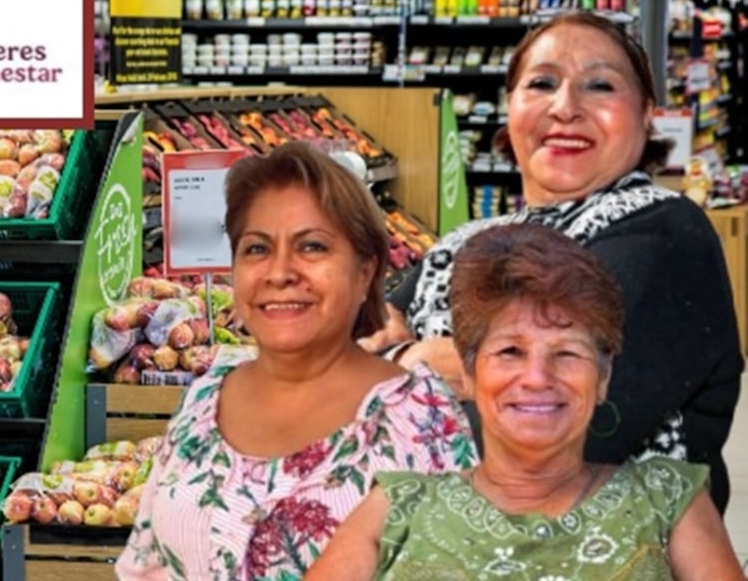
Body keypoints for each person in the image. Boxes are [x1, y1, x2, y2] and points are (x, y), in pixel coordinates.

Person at [365, 10, 743, 514]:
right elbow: (355, 341)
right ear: (511, 107)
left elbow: (556, 439)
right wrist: (415, 361)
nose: (565, 108)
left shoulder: (665, 233)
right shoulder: (468, 239)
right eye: (542, 83)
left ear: (647, 113)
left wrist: (397, 372)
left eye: (600, 86)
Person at [115, 142, 477, 580]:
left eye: (311, 247)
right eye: (257, 249)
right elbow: (144, 565)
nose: (280, 272)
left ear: (365, 272)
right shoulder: (206, 397)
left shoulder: (418, 420)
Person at [305, 224, 743, 580]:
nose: (537, 379)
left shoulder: (669, 499)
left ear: (604, 376)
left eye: (567, 354)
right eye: (510, 352)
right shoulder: (399, 506)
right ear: (470, 375)